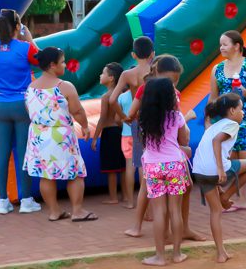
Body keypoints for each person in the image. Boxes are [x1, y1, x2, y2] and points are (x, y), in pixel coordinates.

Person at [125, 55, 203, 242]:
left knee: (183, 188)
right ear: (157, 72)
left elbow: (175, 121)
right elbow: (134, 114)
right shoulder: (148, 89)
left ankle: (181, 229)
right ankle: (148, 228)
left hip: (167, 146)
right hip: (158, 146)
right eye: (170, 80)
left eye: (176, 81)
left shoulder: (172, 92)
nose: (173, 84)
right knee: (153, 189)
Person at [0, 9, 42, 215]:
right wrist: (29, 37)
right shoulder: (24, 48)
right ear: (17, 27)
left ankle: (3, 201)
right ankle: (26, 200)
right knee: (23, 153)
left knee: (2, 153)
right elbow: (42, 61)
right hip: (21, 104)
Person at [24, 46, 97, 222]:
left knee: (46, 175)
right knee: (75, 173)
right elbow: (78, 111)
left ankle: (54, 211)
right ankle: (77, 211)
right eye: (62, 62)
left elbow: (29, 110)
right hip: (61, 136)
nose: (64, 65)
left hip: (39, 137)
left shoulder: (31, 87)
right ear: (52, 65)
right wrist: (85, 127)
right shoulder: (64, 86)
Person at [192, 93, 246, 263]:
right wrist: (220, 168)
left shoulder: (214, 126)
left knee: (216, 211)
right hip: (214, 169)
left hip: (199, 170)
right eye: (241, 109)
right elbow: (216, 143)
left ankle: (220, 252)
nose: (243, 113)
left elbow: (210, 147)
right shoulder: (232, 124)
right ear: (232, 111)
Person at [209, 29, 246, 209]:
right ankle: (240, 199)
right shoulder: (217, 69)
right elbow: (212, 98)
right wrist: (212, 119)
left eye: (225, 44)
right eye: (220, 44)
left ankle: (230, 195)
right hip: (226, 121)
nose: (221, 48)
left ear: (237, 46)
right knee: (233, 162)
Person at [138, 77, 190, 266]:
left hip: (152, 165)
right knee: (175, 210)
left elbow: (144, 142)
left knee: (158, 211)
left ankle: (159, 256)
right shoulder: (176, 116)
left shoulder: (143, 118)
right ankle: (177, 254)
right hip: (174, 164)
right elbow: (183, 140)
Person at [109, 36, 154, 210]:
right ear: (153, 54)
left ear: (133, 55)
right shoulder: (154, 71)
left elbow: (113, 99)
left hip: (135, 121)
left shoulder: (128, 74)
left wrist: (125, 116)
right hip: (152, 119)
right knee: (148, 163)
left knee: (133, 163)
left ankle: (130, 201)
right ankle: (148, 204)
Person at [92, 62, 127, 205]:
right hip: (121, 131)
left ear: (111, 78)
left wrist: (95, 138)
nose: (101, 75)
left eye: (103, 73)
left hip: (109, 132)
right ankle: (126, 195)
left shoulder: (107, 96)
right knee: (123, 166)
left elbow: (102, 118)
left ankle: (113, 197)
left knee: (111, 168)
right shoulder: (123, 93)